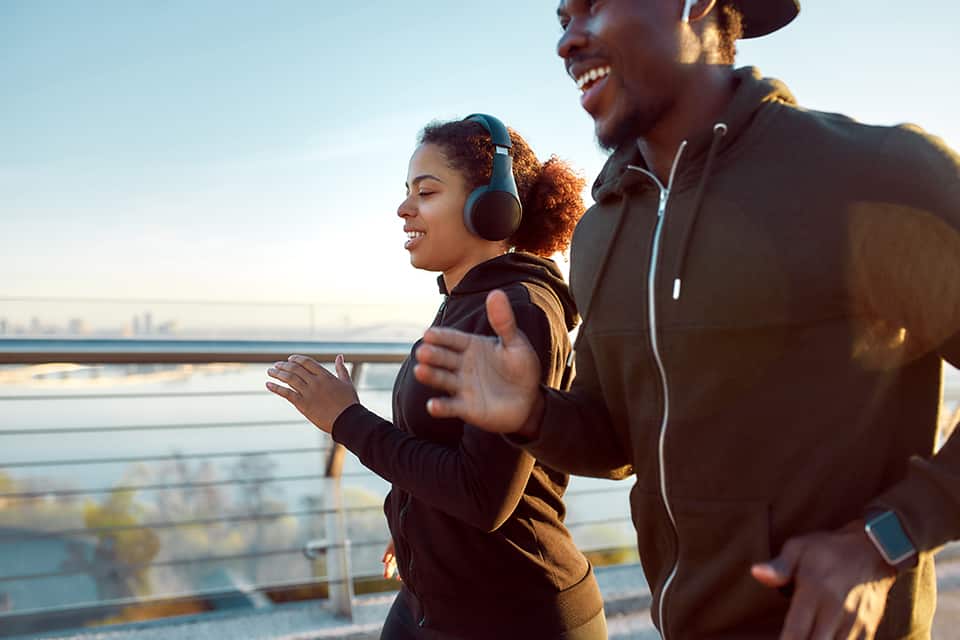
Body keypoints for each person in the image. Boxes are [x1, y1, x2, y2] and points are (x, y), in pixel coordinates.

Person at [410, 1, 960, 638]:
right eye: (562, 18)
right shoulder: (601, 232)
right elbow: (619, 443)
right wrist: (534, 414)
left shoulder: (873, 173)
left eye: (593, 5)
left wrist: (881, 540)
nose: (567, 41)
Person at [265, 115, 608, 639]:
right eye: (407, 192)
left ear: (491, 207)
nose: (404, 208)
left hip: (516, 616)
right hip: (433, 597)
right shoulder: (465, 303)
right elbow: (452, 449)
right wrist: (417, 524)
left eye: (426, 192)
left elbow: (483, 496)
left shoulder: (515, 309)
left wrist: (346, 420)